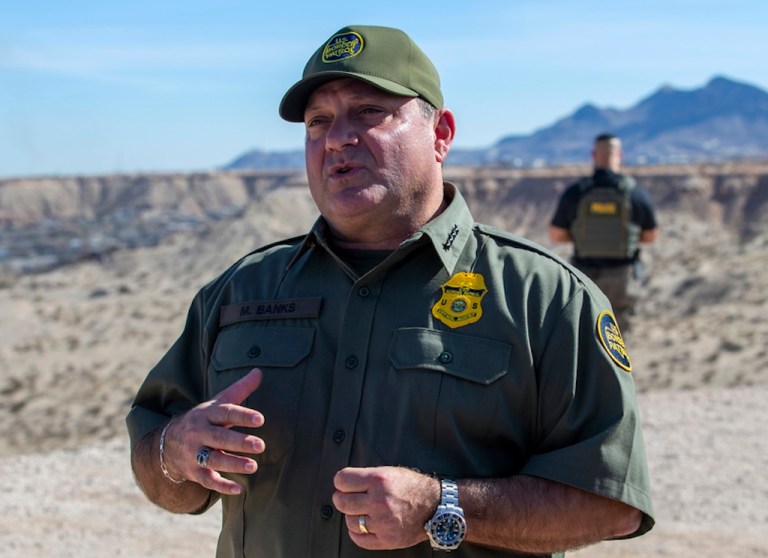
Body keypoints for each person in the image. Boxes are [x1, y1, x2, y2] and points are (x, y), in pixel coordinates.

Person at [127, 25, 655, 557]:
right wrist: (174, 451)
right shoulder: (241, 291)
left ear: (441, 133)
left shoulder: (544, 299)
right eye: (319, 122)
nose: (337, 138)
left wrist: (442, 506)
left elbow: (611, 501)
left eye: (369, 112)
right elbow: (161, 472)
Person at [549, 133, 658, 333]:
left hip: (584, 274)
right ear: (620, 154)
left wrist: (583, 236)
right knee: (618, 340)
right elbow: (650, 236)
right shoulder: (634, 193)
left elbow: (556, 234)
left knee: (584, 335)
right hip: (622, 278)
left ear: (593, 154)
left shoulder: (576, 192)